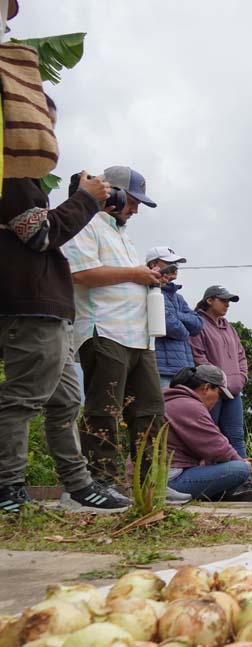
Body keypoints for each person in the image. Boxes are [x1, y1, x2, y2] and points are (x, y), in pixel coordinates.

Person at [0, 95, 131, 513]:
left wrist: (77, 200)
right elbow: (39, 235)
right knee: (22, 399)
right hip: (30, 306)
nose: (48, 136)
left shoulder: (24, 178)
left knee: (64, 402)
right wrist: (86, 200)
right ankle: (8, 491)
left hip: (49, 308)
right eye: (42, 123)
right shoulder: (10, 173)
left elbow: (39, 228)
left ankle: (78, 485)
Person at [63, 165, 165, 497]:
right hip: (103, 329)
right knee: (103, 408)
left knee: (150, 411)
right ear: (113, 193)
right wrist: (135, 275)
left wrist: (146, 277)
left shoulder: (122, 234)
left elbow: (127, 274)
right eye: (133, 201)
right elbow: (81, 274)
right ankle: (101, 481)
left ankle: (151, 484)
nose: (135, 209)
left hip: (139, 335)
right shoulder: (86, 224)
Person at [164, 365, 252, 502]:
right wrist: (243, 463)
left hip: (155, 479)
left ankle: (217, 494)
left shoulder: (172, 399)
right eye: (219, 394)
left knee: (229, 467)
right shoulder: (191, 406)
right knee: (239, 470)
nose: (217, 400)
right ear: (206, 388)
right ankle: (218, 494)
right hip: (170, 483)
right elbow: (217, 446)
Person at [189, 285, 248, 462]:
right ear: (209, 300)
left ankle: (246, 479)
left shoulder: (228, 327)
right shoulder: (198, 324)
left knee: (236, 437)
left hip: (234, 392)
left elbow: (241, 354)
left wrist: (241, 377)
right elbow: (198, 356)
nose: (227, 304)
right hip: (210, 390)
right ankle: (214, 481)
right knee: (211, 437)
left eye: (228, 301)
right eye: (223, 300)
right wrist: (218, 381)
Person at [146, 247, 202, 389]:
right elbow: (173, 327)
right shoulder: (149, 291)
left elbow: (198, 325)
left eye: (177, 264)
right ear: (154, 265)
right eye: (170, 263)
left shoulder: (178, 297)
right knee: (163, 410)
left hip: (184, 370)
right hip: (162, 369)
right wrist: (184, 327)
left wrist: (176, 316)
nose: (175, 268)